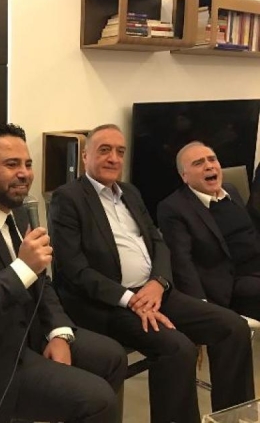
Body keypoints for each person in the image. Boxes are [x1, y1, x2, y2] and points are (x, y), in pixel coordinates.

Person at [0, 123, 127, 423]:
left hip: (24, 335)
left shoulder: (14, 210)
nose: (25, 174)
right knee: (98, 400)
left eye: (28, 164)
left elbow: (41, 281)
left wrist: (58, 332)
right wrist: (22, 268)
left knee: (113, 357)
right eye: (11, 164)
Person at [49, 124, 254, 423]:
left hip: (154, 292)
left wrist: (159, 282)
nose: (114, 158)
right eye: (104, 150)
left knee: (232, 327)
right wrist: (130, 299)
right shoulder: (68, 198)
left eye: (120, 151)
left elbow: (158, 243)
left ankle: (234, 418)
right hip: (109, 303)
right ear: (85, 156)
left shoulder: (130, 192)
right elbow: (74, 270)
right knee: (178, 348)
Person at [157, 141, 260, 320]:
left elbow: (249, 233)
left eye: (212, 159)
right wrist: (201, 306)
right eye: (198, 163)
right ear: (184, 176)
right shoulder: (174, 208)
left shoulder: (231, 190)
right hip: (232, 282)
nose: (209, 166)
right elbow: (182, 262)